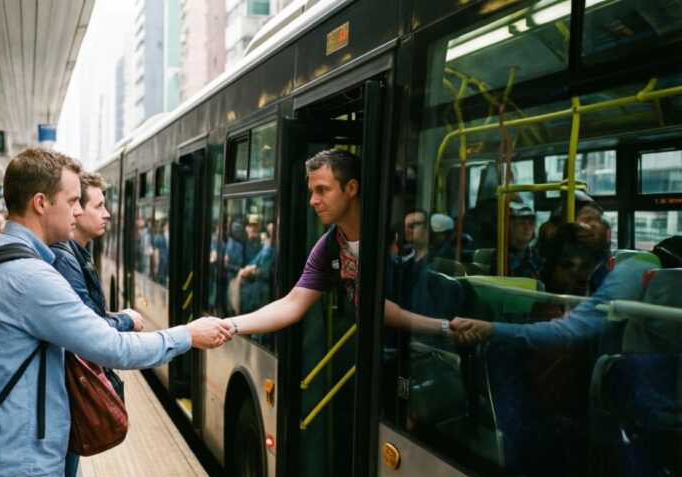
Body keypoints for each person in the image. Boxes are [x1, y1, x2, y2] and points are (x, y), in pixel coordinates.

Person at [0, 147, 231, 477]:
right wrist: (186, 335)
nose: (79, 211)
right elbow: (110, 347)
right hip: (19, 476)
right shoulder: (31, 277)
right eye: (74, 200)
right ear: (41, 203)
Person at [222, 149, 455, 342]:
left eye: (322, 190)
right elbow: (292, 304)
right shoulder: (331, 245)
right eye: (312, 191)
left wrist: (445, 328)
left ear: (351, 189)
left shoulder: (394, 238)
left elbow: (388, 303)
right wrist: (229, 325)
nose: (313, 200)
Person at [49, 171, 144, 477]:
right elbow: (87, 329)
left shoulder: (77, 254)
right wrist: (124, 320)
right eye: (98, 205)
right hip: (62, 401)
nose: (107, 213)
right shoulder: (66, 257)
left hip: (61, 399)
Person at [451, 235, 682, 350]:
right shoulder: (637, 270)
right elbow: (570, 330)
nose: (578, 276)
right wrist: (492, 329)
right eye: (568, 266)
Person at [505, 202, 540, 278]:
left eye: (531, 222)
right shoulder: (501, 257)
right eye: (522, 222)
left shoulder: (537, 256)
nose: (527, 227)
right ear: (510, 225)